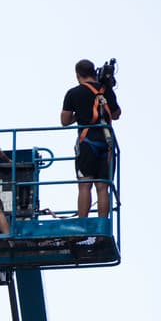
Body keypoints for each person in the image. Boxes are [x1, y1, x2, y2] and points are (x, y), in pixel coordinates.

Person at [60, 59, 121, 218]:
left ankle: (83, 225)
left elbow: (65, 121)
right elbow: (116, 114)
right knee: (103, 187)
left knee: (84, 186)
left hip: (87, 141)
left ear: (78, 74)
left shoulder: (74, 93)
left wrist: (79, 114)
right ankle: (102, 227)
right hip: (107, 142)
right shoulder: (106, 90)